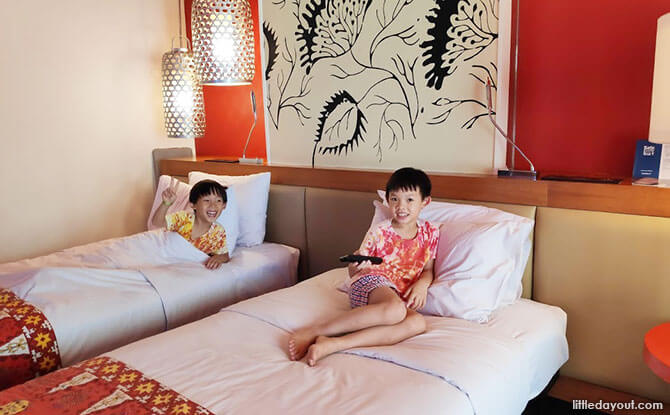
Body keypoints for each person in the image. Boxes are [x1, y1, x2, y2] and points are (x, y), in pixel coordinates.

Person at [288, 167, 440, 366]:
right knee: (395, 310)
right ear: (388, 201)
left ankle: (333, 344)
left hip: (396, 298)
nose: (401, 206)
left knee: (417, 323)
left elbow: (428, 270)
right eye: (394, 199)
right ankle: (315, 330)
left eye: (409, 199)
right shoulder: (379, 231)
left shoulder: (430, 232)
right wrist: (355, 265)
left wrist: (422, 285)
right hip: (369, 283)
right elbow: (354, 272)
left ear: (425, 201)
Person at [151, 177, 230, 269]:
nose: (213, 205)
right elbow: (157, 222)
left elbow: (225, 255)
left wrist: (219, 258)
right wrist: (166, 204)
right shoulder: (184, 218)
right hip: (167, 258)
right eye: (207, 200)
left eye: (218, 201)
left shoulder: (218, 232)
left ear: (224, 205)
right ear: (193, 204)